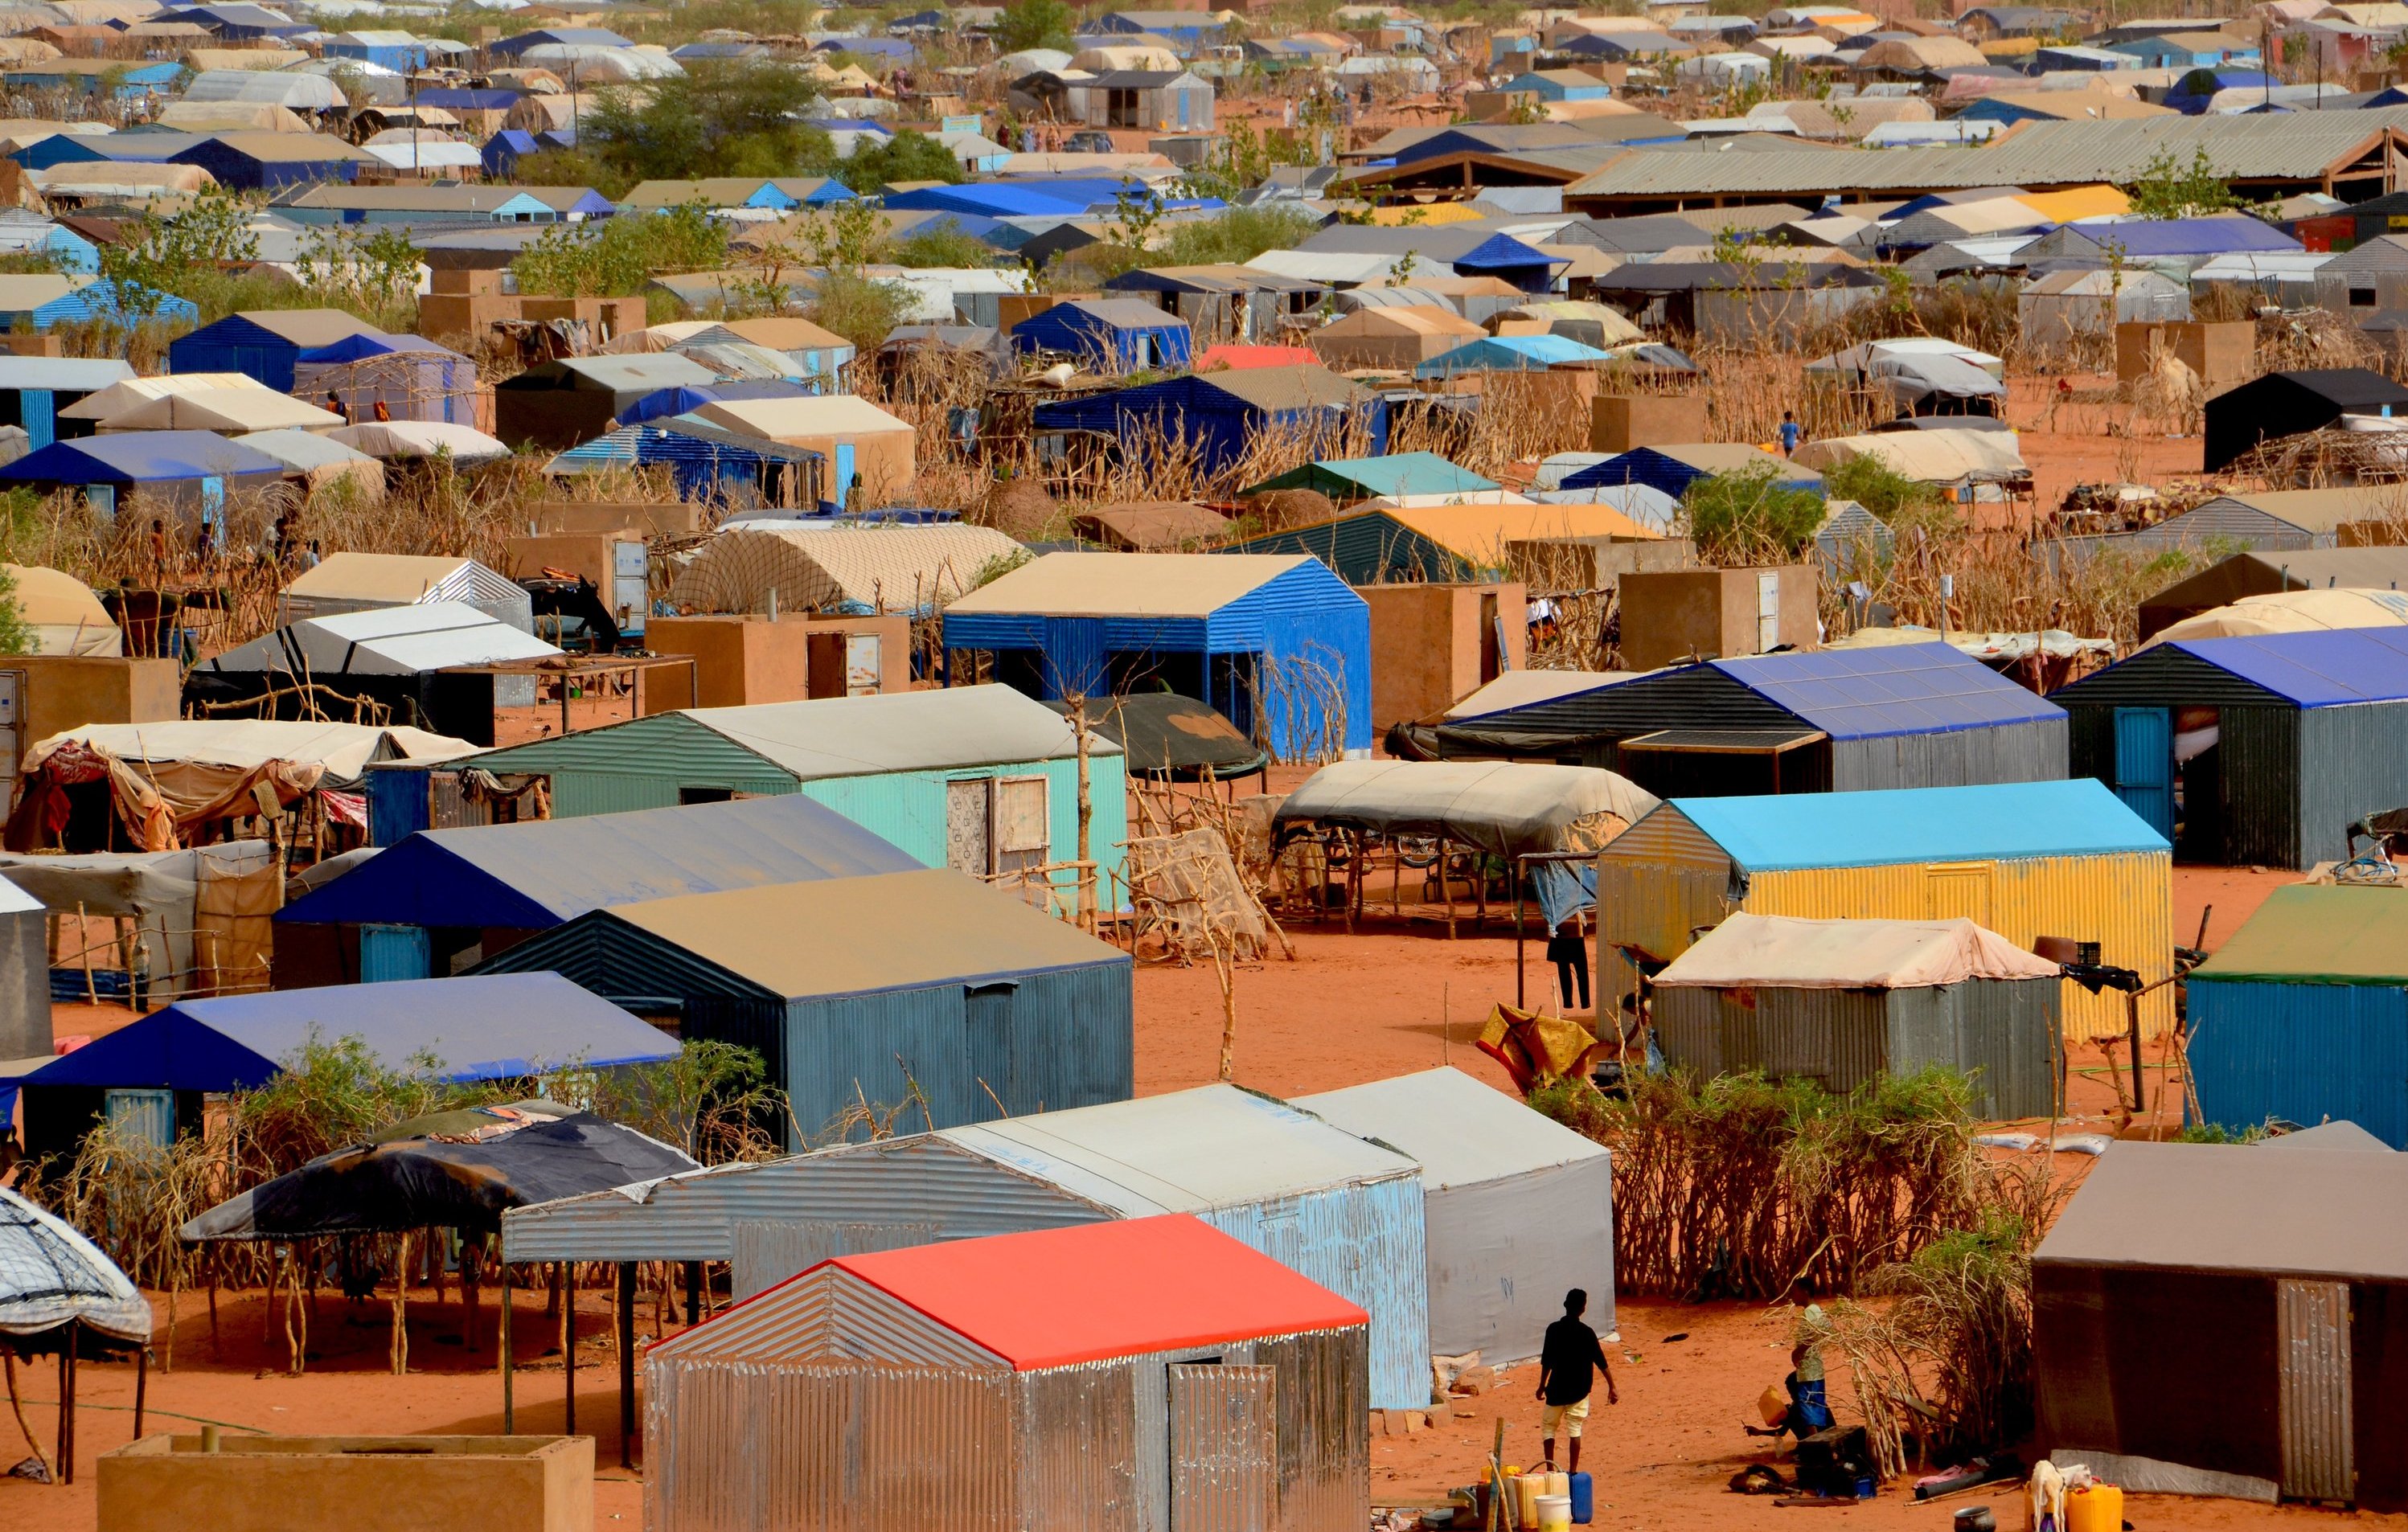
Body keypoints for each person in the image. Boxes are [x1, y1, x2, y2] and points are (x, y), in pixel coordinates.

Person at [1536, 1288, 1616, 1473]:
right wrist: (1612, 1386)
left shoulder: (1553, 1330)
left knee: (1549, 1428)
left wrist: (1542, 1386)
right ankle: (1573, 1471)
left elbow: (1546, 1361)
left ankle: (1550, 1470)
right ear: (1583, 1309)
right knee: (1575, 1429)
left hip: (1556, 1389)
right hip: (1579, 1390)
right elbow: (1601, 1362)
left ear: (1565, 1306)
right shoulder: (1587, 1333)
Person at [1547, 913, 1590, 1011]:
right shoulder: (1575, 903)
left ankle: (1576, 1002)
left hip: (1569, 936)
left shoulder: (1557, 904)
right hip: (1566, 936)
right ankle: (1578, 1002)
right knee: (1573, 972)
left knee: (1570, 972)